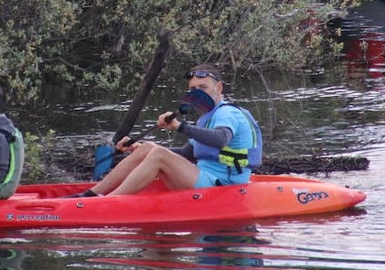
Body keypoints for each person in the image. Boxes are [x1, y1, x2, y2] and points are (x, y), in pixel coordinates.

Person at [80, 64, 263, 197]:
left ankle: (109, 202)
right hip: (206, 180)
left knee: (159, 154)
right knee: (148, 148)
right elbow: (186, 154)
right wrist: (140, 149)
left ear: (219, 87)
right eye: (193, 88)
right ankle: (91, 194)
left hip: (223, 187)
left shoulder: (227, 113)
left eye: (203, 87)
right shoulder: (205, 117)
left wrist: (179, 126)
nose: (197, 92)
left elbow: (221, 139)